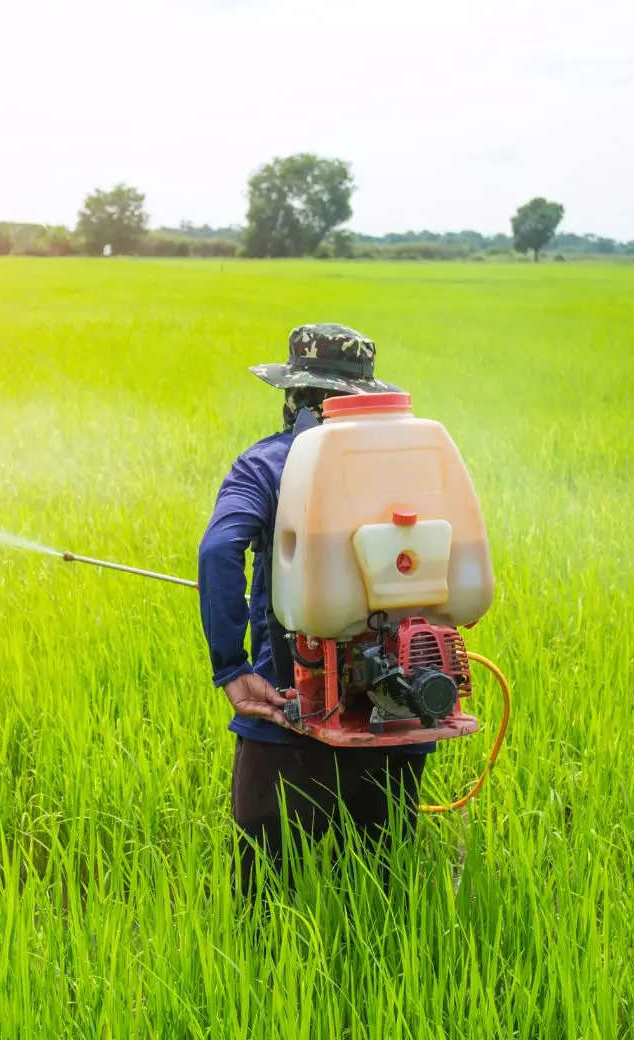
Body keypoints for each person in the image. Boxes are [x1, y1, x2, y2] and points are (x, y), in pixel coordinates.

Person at [197, 323, 433, 894]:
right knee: (378, 894)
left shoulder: (268, 463)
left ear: (293, 396)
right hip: (399, 712)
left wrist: (233, 669)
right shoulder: (413, 464)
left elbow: (219, 549)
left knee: (263, 901)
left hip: (290, 712)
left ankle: (261, 984)